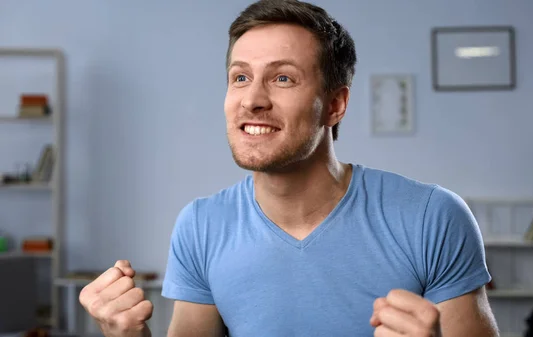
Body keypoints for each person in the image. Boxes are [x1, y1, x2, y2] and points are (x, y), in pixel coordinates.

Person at [79, 0, 500, 336]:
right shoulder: (200, 225)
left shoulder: (433, 216)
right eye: (240, 78)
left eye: (283, 79)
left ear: (335, 105)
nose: (252, 100)